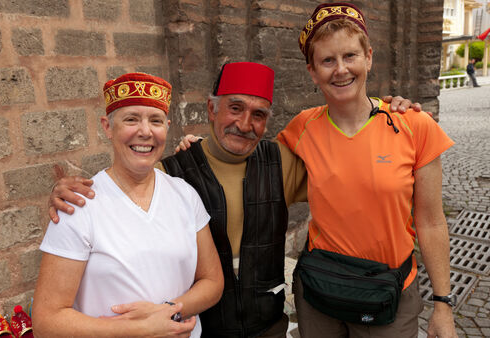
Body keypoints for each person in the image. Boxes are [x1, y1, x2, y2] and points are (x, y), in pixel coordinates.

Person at [48, 64, 421, 336]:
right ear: (211, 109)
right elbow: (126, 177)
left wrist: (383, 112)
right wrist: (64, 192)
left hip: (268, 325)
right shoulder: (173, 171)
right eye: (235, 108)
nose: (245, 124)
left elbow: (358, 168)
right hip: (205, 327)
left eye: (258, 114)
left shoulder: (284, 161)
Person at [276, 3, 457, 337]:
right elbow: (250, 164)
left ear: (369, 57)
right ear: (313, 72)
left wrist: (443, 306)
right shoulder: (301, 128)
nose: (340, 70)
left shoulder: (414, 126)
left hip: (388, 293)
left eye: (350, 56)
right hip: (320, 292)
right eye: (327, 61)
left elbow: (432, 221)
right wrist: (199, 145)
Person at [32, 72, 224, 338]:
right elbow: (47, 321)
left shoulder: (184, 195)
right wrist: (140, 329)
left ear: (166, 127)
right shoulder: (79, 205)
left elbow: (212, 281)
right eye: (131, 119)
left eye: (155, 120)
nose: (145, 131)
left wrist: (169, 311)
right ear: (108, 127)